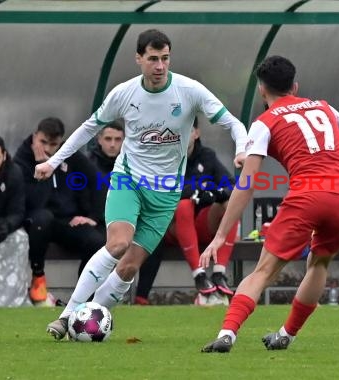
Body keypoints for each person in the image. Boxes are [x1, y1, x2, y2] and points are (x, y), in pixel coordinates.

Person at [200, 55, 339, 353]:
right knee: (319, 262)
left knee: (264, 271)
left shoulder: (265, 121)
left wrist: (220, 235)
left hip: (307, 196)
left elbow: (246, 183)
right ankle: (287, 334)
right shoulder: (323, 107)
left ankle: (227, 333)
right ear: (294, 86)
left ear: (261, 90)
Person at [39, 29, 247, 340]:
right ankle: (69, 314)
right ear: (139, 59)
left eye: (165, 58)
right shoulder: (124, 94)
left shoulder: (188, 90)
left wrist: (242, 147)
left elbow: (233, 122)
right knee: (118, 244)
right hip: (129, 180)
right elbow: (88, 128)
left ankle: (87, 321)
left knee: (129, 267)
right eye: (153, 59)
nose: (160, 66)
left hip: (165, 194)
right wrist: (53, 161)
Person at [135, 117, 238, 305]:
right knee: (183, 205)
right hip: (172, 227)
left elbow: (231, 185)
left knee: (231, 206)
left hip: (202, 225)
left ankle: (218, 273)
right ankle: (199, 274)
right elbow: (162, 193)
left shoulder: (207, 156)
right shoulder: (165, 159)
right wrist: (197, 190)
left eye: (187, 131)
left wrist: (214, 193)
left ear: (196, 133)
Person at [14, 117, 106, 304]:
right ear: (34, 137)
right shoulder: (22, 160)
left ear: (61, 142)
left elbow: (99, 181)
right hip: (36, 219)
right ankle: (38, 276)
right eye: (43, 142)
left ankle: (83, 299)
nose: (47, 149)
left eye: (53, 144)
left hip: (67, 221)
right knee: (43, 218)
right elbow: (34, 201)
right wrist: (45, 170)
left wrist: (93, 217)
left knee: (96, 241)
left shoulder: (69, 155)